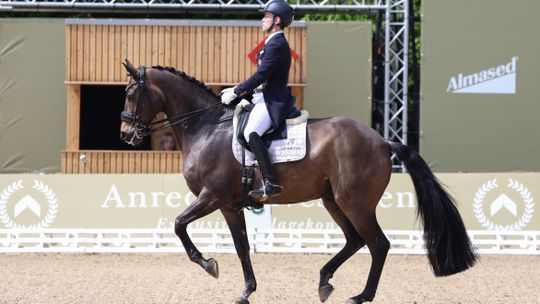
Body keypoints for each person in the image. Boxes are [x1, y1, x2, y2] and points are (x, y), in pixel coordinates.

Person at [220, 0, 295, 200]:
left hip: (274, 100)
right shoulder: (271, 42)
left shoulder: (277, 44)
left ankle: (271, 182)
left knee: (252, 132)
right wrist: (240, 91)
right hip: (264, 96)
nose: (263, 20)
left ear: (277, 20)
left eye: (267, 17)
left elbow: (261, 75)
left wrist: (237, 91)